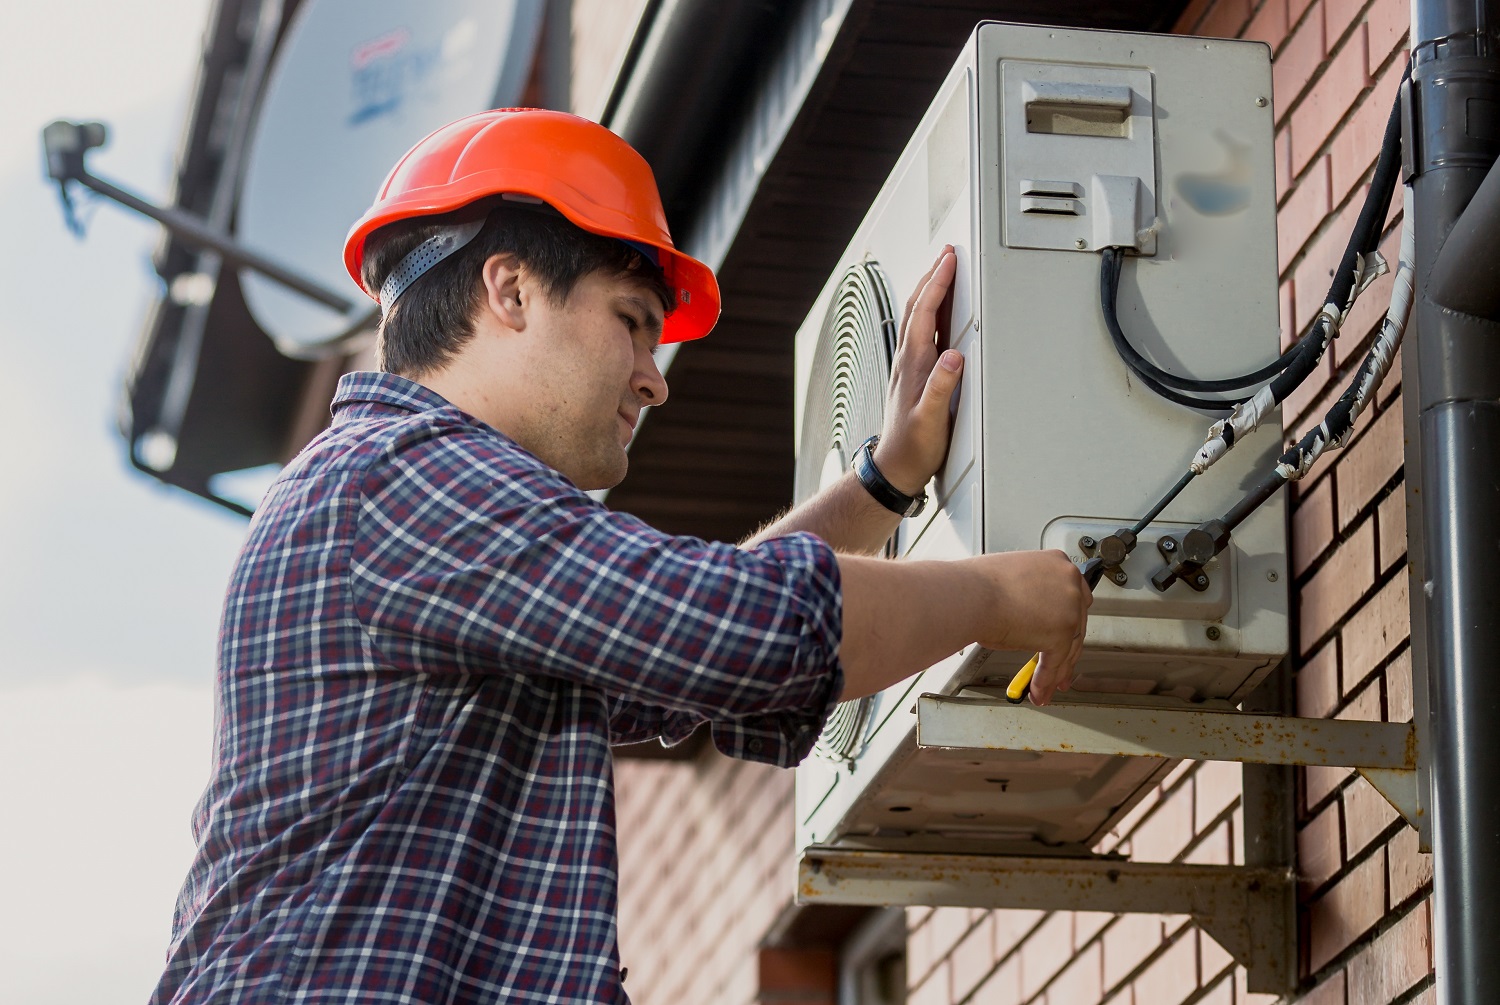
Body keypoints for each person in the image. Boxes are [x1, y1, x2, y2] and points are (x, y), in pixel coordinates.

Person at [150, 109, 1089, 1005]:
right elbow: (740, 630)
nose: (653, 377)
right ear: (511, 292)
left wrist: (880, 487)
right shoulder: (407, 475)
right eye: (633, 320)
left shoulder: (404, 501)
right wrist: (1006, 591)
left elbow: (684, 643)